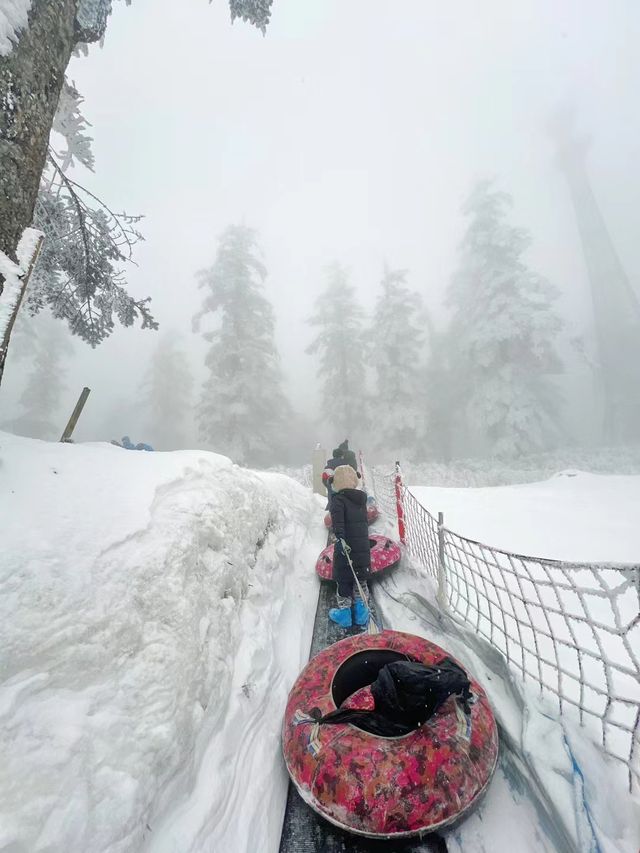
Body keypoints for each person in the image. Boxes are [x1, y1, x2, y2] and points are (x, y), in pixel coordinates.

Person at [329, 464, 371, 628]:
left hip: (345, 549)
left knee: (344, 582)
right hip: (362, 549)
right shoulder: (361, 500)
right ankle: (361, 614)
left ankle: (345, 616)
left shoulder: (338, 500)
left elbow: (338, 523)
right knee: (360, 580)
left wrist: (340, 538)